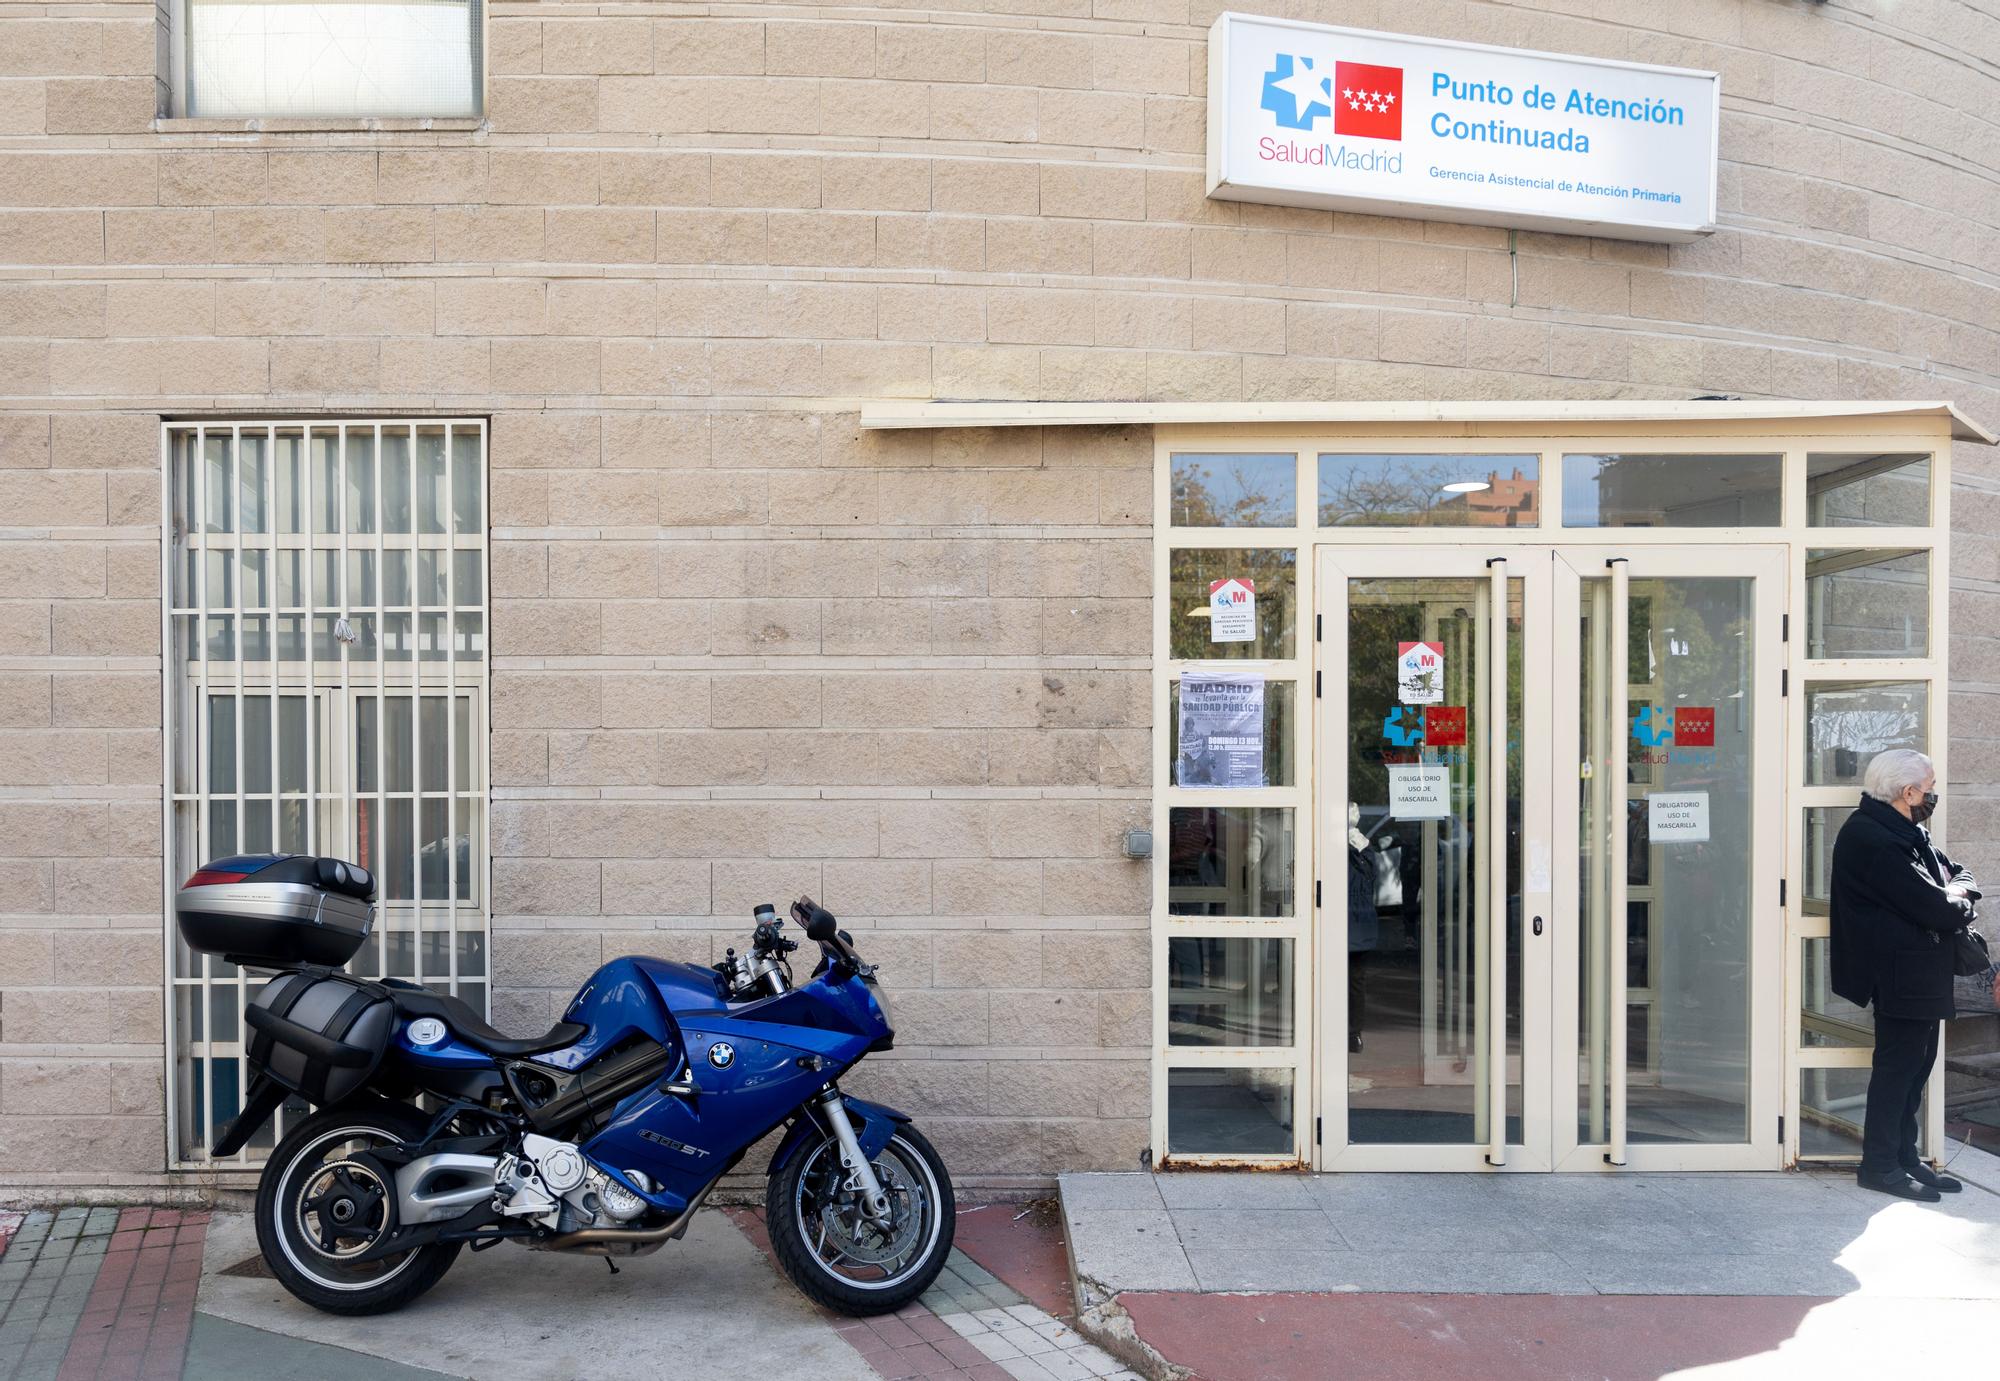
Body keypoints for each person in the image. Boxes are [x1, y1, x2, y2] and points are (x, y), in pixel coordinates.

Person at [1829, 749, 1982, 1201]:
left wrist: (1956, 892)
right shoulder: (1871, 837)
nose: (1934, 794)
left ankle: (1904, 1157)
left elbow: (1961, 875)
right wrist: (1955, 897)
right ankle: (1879, 1165)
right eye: (1929, 786)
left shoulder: (1908, 830)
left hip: (1920, 972)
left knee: (1917, 1068)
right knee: (1898, 1069)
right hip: (1898, 973)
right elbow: (1936, 908)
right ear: (1907, 791)